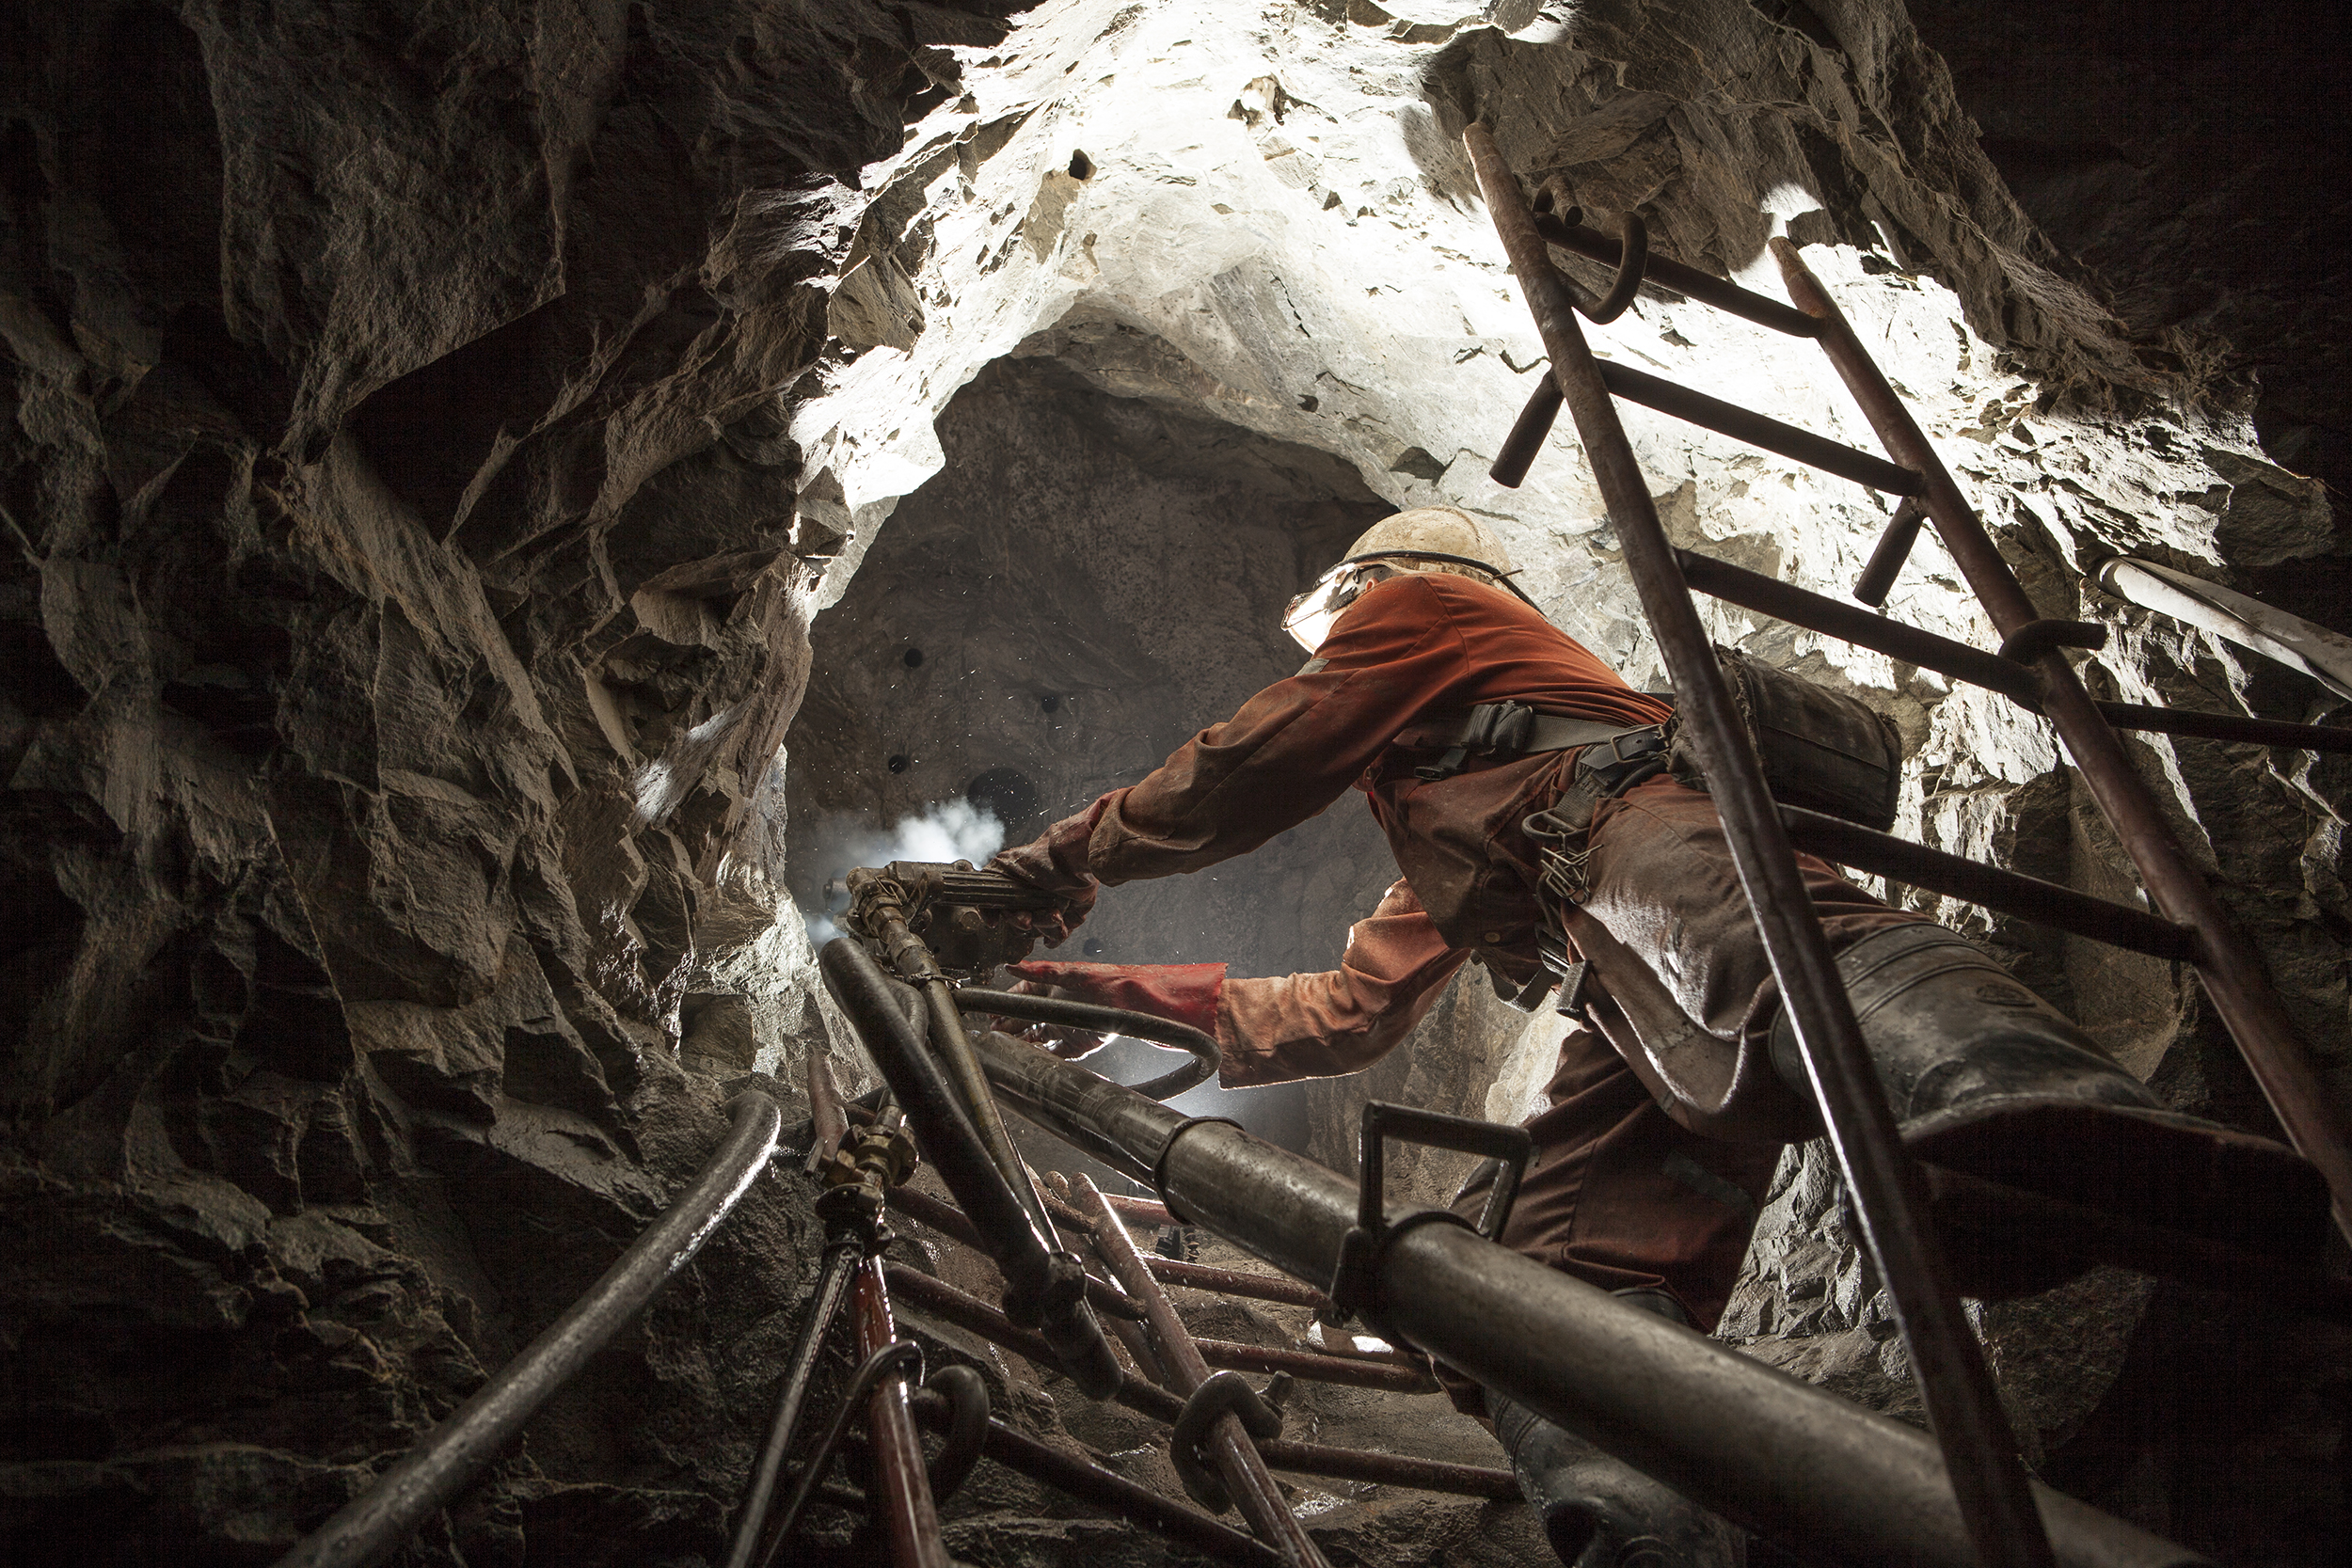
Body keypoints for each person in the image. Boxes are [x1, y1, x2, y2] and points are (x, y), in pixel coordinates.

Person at [986, 506, 2306, 1567]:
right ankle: (1641, 1529)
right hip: (1619, 981)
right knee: (1546, 1282)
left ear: (1373, 590)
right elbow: (1346, 1012)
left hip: (1637, 830)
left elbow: (1244, 764)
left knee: (1772, 952)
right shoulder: (1450, 811)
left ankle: (2063, 1112)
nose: (1322, 652)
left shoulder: (1435, 609)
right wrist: (1080, 998)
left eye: (1326, 628)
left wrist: (1044, 866)